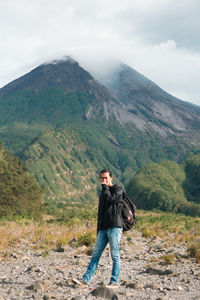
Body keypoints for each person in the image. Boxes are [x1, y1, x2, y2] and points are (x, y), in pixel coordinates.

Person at [76, 168, 124, 288]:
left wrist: (105, 188)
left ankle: (114, 281)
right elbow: (101, 213)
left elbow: (111, 199)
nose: (103, 180)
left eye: (105, 178)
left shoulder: (118, 190)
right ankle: (85, 279)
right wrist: (98, 230)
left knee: (115, 255)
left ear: (111, 178)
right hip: (103, 228)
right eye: (101, 178)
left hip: (114, 227)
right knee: (95, 255)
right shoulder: (103, 192)